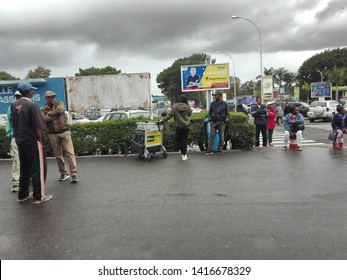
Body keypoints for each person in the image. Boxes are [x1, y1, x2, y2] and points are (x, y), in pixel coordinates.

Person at [11, 82, 52, 204]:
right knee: (37, 168)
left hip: (19, 140)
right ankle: (38, 197)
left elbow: (14, 124)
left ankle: (22, 195)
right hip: (31, 140)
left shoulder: (14, 104)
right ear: (28, 91)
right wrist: (40, 141)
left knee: (24, 168)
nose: (33, 92)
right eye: (32, 90)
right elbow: (38, 127)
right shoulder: (31, 104)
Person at [40, 91, 78, 182]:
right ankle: (63, 173)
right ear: (47, 99)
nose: (53, 98)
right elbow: (43, 119)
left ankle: (74, 174)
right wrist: (54, 115)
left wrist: (49, 114)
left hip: (65, 132)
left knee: (70, 153)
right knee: (58, 155)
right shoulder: (43, 108)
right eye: (50, 97)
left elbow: (60, 110)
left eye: (53, 97)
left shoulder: (60, 103)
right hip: (52, 134)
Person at [159, 94, 192, 160]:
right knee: (184, 141)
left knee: (179, 140)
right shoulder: (188, 107)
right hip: (185, 126)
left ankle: (182, 152)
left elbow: (169, 115)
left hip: (178, 127)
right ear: (185, 100)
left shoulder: (175, 107)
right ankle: (184, 154)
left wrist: (162, 121)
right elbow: (189, 114)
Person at [6, 91, 22, 192]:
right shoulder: (11, 107)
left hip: (18, 137)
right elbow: (9, 122)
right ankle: (16, 182)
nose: (18, 98)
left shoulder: (11, 107)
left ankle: (23, 180)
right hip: (17, 137)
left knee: (20, 160)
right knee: (17, 160)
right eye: (17, 96)